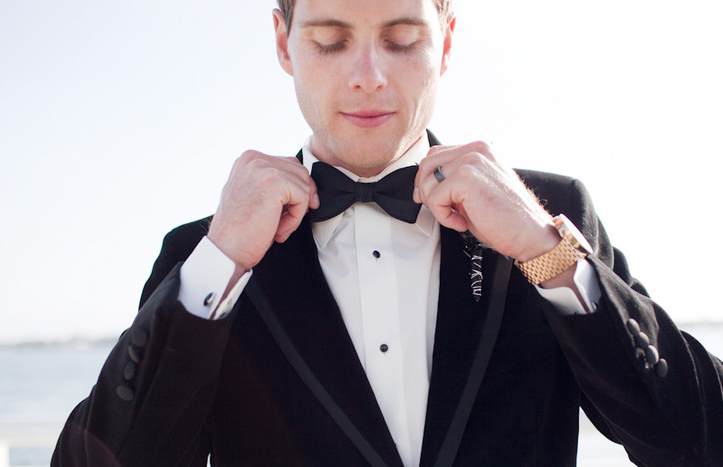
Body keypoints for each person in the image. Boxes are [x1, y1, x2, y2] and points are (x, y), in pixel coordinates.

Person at [52, 0, 723, 466]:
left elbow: (699, 439)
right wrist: (217, 265)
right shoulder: (206, 256)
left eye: (401, 40)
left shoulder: (550, 217)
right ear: (284, 43)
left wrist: (547, 254)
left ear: (447, 41)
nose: (368, 76)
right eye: (331, 40)